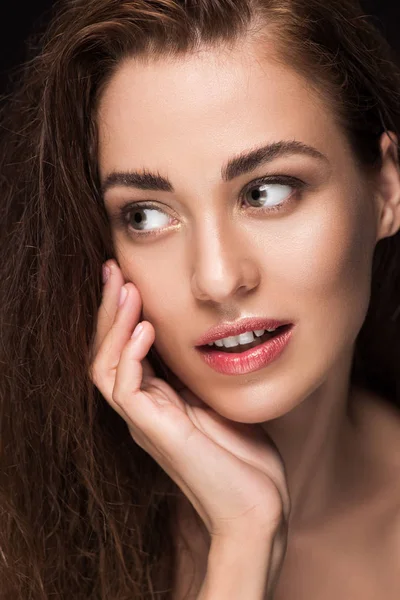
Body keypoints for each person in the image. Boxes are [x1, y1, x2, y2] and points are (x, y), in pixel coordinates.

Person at [1, 0, 400, 598]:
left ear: (387, 192)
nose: (216, 279)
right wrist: (244, 540)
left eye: (266, 191)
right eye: (145, 214)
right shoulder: (19, 539)